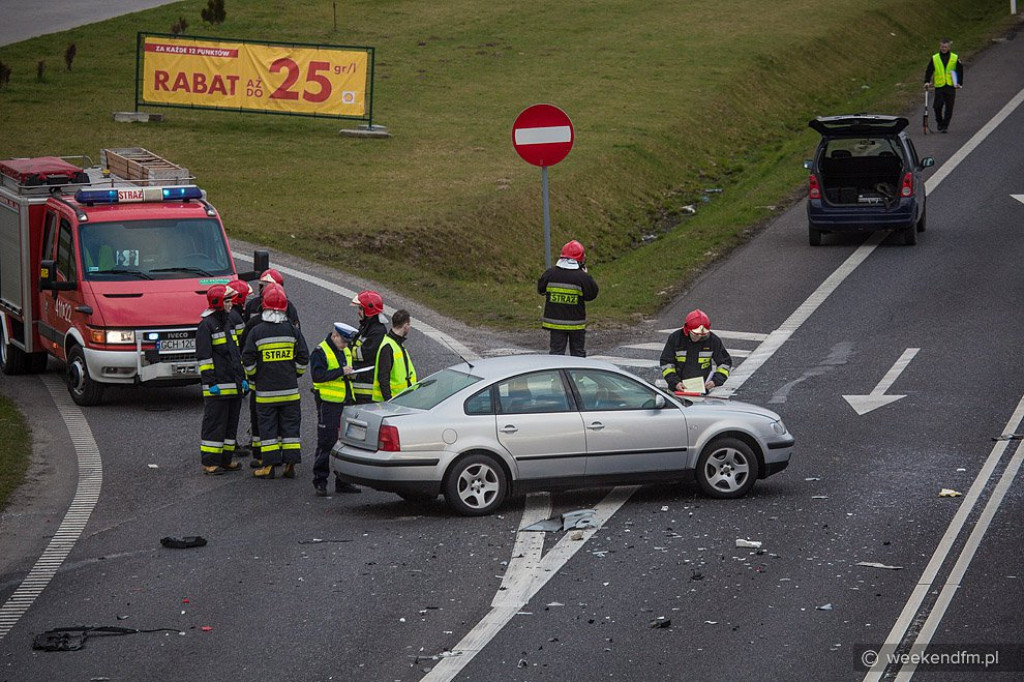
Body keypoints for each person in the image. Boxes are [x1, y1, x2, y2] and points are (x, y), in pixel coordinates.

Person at [241, 283, 309, 479]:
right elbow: (303, 356)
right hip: (289, 391)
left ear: (265, 306)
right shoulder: (292, 331)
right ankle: (289, 465)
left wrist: (255, 375)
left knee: (268, 429)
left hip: (265, 393)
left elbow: (247, 358)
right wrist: (294, 373)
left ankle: (269, 467)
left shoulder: (257, 331)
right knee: (290, 428)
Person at [196, 284, 247, 475]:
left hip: (233, 385)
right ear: (217, 303)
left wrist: (241, 378)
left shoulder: (228, 322)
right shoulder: (206, 326)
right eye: (227, 300)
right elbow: (204, 358)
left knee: (230, 426)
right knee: (215, 425)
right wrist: (211, 383)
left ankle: (225, 460)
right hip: (218, 386)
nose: (230, 304)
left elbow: (235, 354)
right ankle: (210, 462)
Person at [310, 322, 361, 496]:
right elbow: (317, 376)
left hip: (346, 401)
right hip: (328, 404)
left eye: (347, 342)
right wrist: (341, 371)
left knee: (346, 443)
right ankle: (320, 480)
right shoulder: (320, 352)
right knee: (326, 443)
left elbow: (345, 373)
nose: (346, 345)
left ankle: (343, 481)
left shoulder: (344, 350)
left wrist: (352, 374)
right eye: (343, 341)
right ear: (334, 336)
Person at [537, 240, 599, 357]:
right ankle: (578, 375)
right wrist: (586, 275)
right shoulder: (582, 277)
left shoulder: (550, 273)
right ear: (580, 260)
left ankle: (555, 375)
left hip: (555, 324)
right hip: (576, 324)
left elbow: (541, 289)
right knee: (577, 355)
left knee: (556, 355)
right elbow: (592, 294)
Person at [659, 309, 732, 393]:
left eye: (702, 335)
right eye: (695, 334)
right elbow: (666, 363)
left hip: (702, 390)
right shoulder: (675, 339)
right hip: (676, 390)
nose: (699, 337)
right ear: (687, 330)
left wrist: (715, 381)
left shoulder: (713, 341)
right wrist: (675, 383)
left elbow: (725, 363)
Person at [349, 290, 387, 403]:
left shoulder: (377, 332)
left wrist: (346, 350)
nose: (358, 312)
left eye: (361, 308)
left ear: (369, 310)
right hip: (359, 384)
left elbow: (364, 354)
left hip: (366, 390)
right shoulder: (366, 327)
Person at [372, 309, 417, 402]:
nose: (409, 328)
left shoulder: (397, 344)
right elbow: (383, 377)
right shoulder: (388, 346)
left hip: (401, 399)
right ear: (405, 325)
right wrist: (389, 401)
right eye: (409, 325)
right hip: (393, 401)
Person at [924, 39, 963, 133]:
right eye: (942, 47)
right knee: (937, 106)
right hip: (939, 85)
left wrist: (959, 83)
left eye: (945, 47)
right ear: (939, 47)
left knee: (949, 107)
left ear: (949, 47)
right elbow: (929, 70)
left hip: (950, 85)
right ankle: (939, 122)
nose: (944, 49)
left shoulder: (955, 57)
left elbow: (960, 71)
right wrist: (927, 81)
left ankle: (945, 125)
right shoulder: (935, 58)